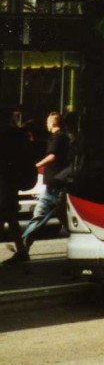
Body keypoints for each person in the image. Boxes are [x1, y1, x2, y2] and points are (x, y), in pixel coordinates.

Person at [19, 111, 71, 252]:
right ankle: (23, 247)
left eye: (48, 122)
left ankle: (22, 246)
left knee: (39, 217)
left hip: (55, 185)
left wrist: (36, 166)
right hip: (56, 185)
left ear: (53, 122)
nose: (46, 124)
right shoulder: (59, 137)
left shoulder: (59, 137)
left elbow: (52, 156)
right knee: (64, 219)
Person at [1, 110, 36, 265]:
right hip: (11, 181)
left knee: (7, 214)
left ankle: (21, 251)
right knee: (9, 216)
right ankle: (21, 250)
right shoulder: (17, 134)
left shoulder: (8, 134)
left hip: (5, 181)